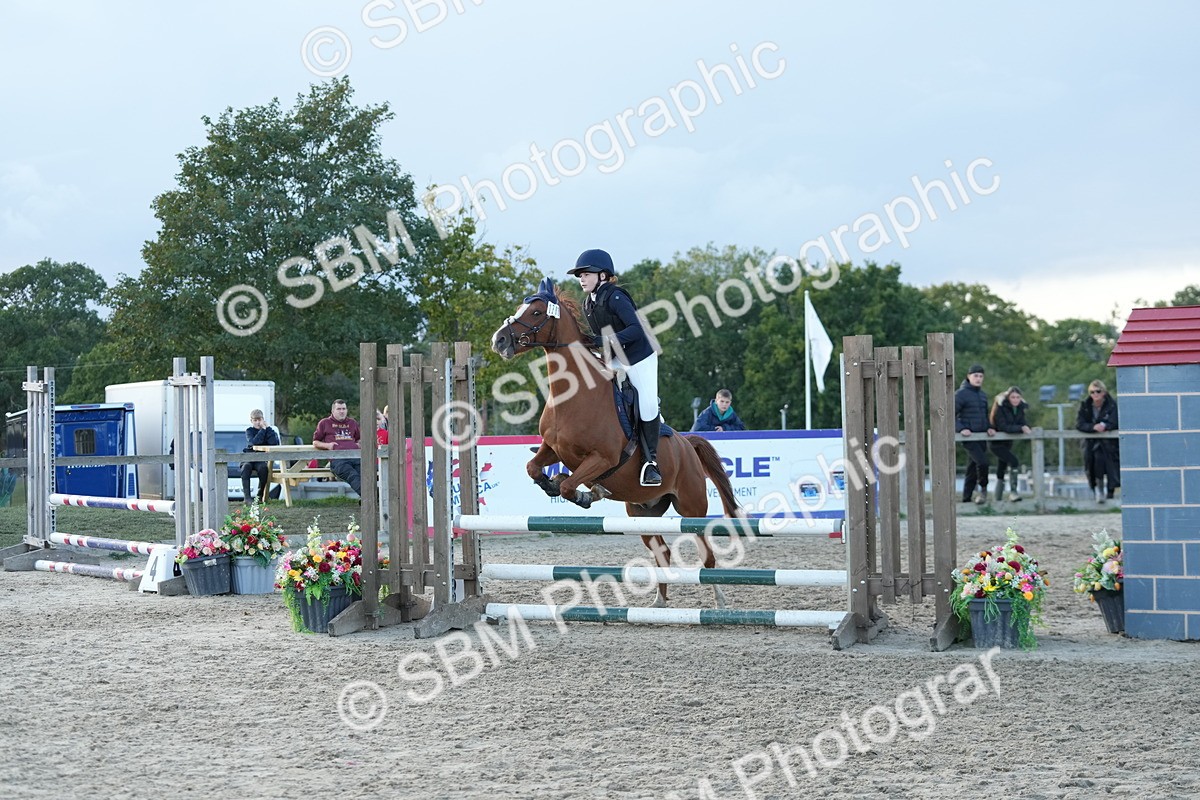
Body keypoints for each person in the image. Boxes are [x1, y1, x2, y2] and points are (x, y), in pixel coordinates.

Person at [566, 248, 663, 486]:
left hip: (639, 357)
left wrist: (603, 340)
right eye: (580, 275)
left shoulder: (616, 297)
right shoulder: (588, 304)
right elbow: (600, 338)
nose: (582, 279)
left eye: (586, 274)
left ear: (603, 275)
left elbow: (636, 329)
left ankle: (651, 462)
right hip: (614, 357)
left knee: (647, 404)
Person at [955, 364, 995, 504]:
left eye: (981, 376)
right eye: (975, 376)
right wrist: (961, 429)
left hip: (982, 436)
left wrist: (989, 427)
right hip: (969, 437)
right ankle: (983, 490)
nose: (978, 379)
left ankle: (966, 500)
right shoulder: (960, 394)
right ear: (968, 377)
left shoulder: (982, 395)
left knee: (972, 468)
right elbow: (950, 415)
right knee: (983, 463)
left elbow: (984, 416)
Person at [1076, 379, 1120, 503]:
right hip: (1091, 443)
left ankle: (1110, 493)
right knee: (1092, 466)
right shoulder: (1085, 406)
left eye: (1098, 391)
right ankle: (1097, 491)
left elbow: (1115, 421)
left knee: (1111, 468)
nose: (1095, 394)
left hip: (1109, 443)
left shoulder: (1112, 405)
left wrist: (1105, 426)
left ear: (1104, 392)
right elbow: (1079, 424)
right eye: (1092, 392)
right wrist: (1093, 427)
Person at [989, 386, 1031, 502]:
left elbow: (1023, 422)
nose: (1015, 400)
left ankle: (997, 498)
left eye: (1018, 397)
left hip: (1008, 442)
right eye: (1013, 397)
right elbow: (1003, 426)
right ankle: (1013, 492)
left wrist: (1025, 427)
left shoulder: (1020, 408)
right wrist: (1020, 428)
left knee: (1001, 467)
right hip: (996, 443)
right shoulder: (1000, 407)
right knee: (1014, 461)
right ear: (1008, 398)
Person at [313, 399, 362, 496]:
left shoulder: (352, 423)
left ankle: (368, 499)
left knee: (367, 475)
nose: (342, 411)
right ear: (332, 411)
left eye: (344, 409)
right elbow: (315, 442)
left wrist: (358, 445)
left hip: (355, 457)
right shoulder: (324, 423)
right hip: (338, 459)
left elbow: (359, 439)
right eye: (339, 409)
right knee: (352, 475)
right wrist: (328, 445)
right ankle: (372, 497)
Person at [240, 409, 280, 503]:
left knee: (263, 468)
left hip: (261, 459)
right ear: (251, 421)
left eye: (259, 420)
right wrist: (262, 430)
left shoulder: (269, 431)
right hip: (249, 458)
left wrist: (267, 428)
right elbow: (254, 442)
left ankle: (260, 495)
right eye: (255, 420)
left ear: (263, 419)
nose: (258, 422)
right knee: (246, 467)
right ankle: (247, 497)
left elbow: (274, 444)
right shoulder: (249, 431)